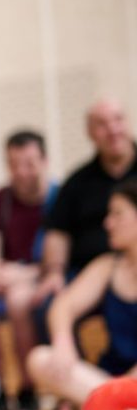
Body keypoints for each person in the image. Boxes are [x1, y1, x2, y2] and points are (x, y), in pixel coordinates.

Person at [27, 180, 137, 406]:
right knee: (39, 359)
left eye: (118, 214)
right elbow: (63, 306)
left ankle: (103, 405)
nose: (108, 223)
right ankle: (113, 406)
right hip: (106, 381)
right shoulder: (108, 266)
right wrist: (63, 342)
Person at [0, 130, 56, 410]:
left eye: (29, 163)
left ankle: (27, 388)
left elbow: (57, 260)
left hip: (41, 278)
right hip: (7, 280)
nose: (22, 172)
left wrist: (23, 274)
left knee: (18, 300)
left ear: (44, 161)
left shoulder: (59, 199)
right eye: (14, 164)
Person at [36, 99, 137, 303]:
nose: (112, 129)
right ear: (90, 133)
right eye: (102, 124)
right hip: (89, 272)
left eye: (117, 119)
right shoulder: (76, 182)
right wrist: (55, 272)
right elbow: (57, 232)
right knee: (48, 304)